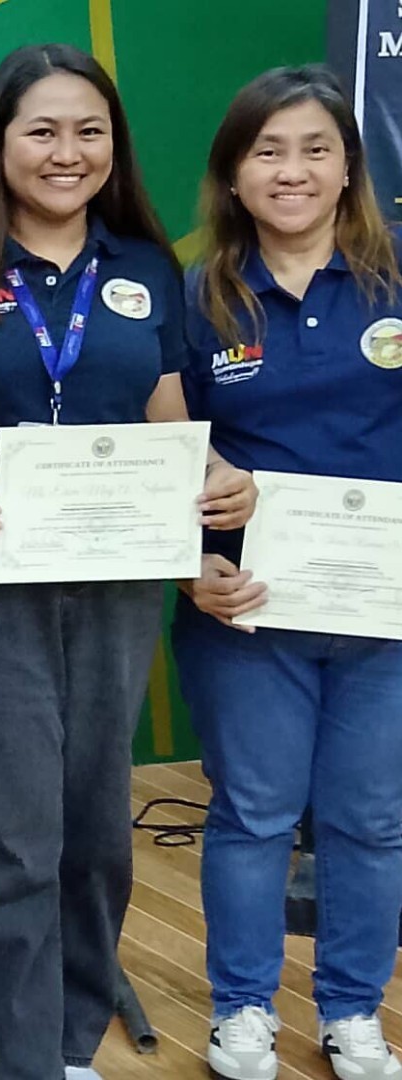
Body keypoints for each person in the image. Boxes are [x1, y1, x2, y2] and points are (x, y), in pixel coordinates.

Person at [0, 44, 255, 1080]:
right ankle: (17, 1061)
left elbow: (167, 421)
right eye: (43, 131)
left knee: (98, 834)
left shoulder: (147, 270)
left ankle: (67, 1047)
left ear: (114, 144)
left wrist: (212, 489)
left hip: (115, 585)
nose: (68, 152)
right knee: (12, 840)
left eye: (89, 131)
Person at [176, 66, 402, 1080]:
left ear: (349, 167)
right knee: (254, 815)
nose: (292, 170)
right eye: (267, 151)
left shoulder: (396, 279)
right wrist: (193, 569)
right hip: (245, 611)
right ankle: (243, 1010)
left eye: (316, 149)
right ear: (233, 173)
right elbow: (164, 453)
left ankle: (354, 1011)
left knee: (373, 821)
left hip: (385, 616)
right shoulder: (197, 298)